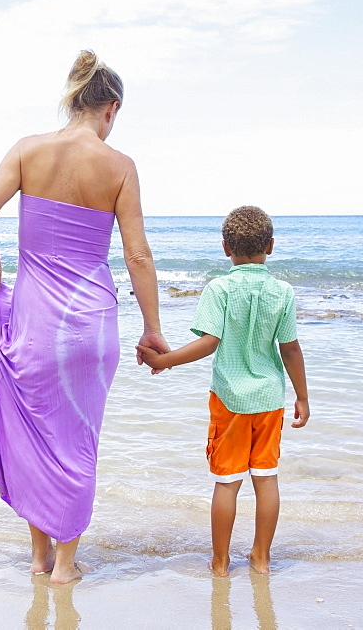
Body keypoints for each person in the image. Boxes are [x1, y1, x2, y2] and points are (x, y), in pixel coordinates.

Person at [0, 50, 168, 585]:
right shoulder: (120, 166)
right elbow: (137, 255)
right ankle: (67, 567)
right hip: (90, 326)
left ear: (73, 100)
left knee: (35, 437)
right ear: (111, 108)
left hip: (33, 321)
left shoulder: (29, 151)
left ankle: (38, 558)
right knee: (77, 443)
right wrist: (153, 329)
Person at [136, 205, 310, 577]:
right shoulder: (282, 291)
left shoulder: (219, 288)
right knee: (266, 479)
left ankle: (219, 562)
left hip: (230, 398)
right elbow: (290, 348)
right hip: (268, 400)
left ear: (225, 247)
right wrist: (303, 396)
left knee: (227, 483)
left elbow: (209, 342)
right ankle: (261, 559)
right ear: (271, 246)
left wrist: (166, 361)